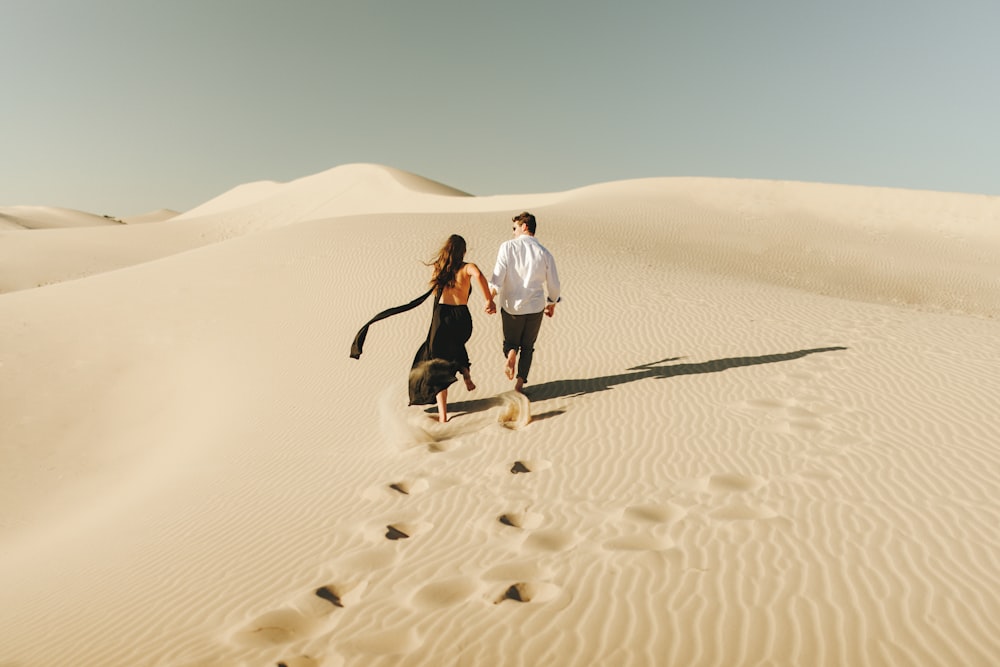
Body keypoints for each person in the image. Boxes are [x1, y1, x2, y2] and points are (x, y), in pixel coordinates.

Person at [489, 212, 561, 393]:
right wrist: (551, 303)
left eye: (515, 228)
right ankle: (520, 385)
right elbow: (554, 284)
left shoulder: (507, 247)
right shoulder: (544, 252)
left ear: (525, 227)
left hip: (512, 306)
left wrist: (490, 297)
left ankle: (511, 354)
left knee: (510, 343)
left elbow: (497, 277)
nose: (513, 232)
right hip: (535, 307)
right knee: (528, 347)